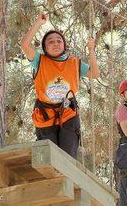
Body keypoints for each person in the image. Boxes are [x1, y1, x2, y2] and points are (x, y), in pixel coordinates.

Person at [20, 13, 99, 159]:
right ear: (44, 47)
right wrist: (38, 23)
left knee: (68, 156)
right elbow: (24, 45)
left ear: (64, 45)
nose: (55, 43)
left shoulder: (74, 63)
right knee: (49, 157)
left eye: (59, 41)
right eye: (50, 41)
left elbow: (94, 73)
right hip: (45, 113)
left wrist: (91, 51)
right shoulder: (39, 61)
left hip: (68, 112)